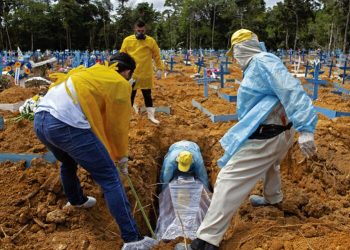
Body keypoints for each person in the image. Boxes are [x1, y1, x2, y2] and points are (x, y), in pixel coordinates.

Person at [191, 29, 318, 250]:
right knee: (271, 165)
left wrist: (306, 128)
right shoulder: (256, 65)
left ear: (241, 49)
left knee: (228, 180)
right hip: (278, 132)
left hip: (270, 134)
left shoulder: (262, 61)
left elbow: (290, 89)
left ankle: (206, 240)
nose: (235, 57)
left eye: (235, 52)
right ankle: (273, 198)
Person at [34, 52, 157, 249]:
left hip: (41, 119)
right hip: (65, 124)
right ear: (127, 71)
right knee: (109, 176)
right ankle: (133, 239)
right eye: (129, 75)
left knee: (67, 161)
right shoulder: (120, 83)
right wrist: (120, 156)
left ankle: (77, 201)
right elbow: (117, 126)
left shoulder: (95, 71)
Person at [120, 19, 164, 124]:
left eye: (142, 31)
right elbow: (122, 55)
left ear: (145, 30)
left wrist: (159, 68)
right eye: (138, 30)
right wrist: (121, 71)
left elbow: (157, 55)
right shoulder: (127, 40)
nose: (140, 33)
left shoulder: (151, 41)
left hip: (146, 73)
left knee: (147, 95)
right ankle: (127, 117)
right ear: (135, 29)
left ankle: (151, 116)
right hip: (132, 74)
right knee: (130, 95)